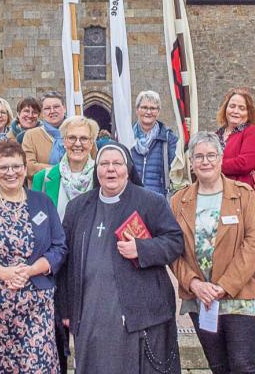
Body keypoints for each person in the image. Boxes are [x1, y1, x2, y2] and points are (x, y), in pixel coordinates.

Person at [60, 142, 183, 374]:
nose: (111, 169)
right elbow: (64, 260)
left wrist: (142, 249)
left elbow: (175, 241)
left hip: (136, 310)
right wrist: (66, 308)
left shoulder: (150, 202)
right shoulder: (78, 207)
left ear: (128, 169)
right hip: (90, 310)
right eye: (104, 164)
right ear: (96, 170)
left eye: (117, 163)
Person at [0, 139, 67, 373]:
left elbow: (59, 248)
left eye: (16, 166)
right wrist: (4, 273)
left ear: (25, 169)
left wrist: (29, 270)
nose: (10, 173)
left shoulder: (42, 202)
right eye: (3, 167)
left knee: (34, 366)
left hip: (35, 309)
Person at [170, 131, 255, 374]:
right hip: (201, 298)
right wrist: (194, 284)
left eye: (211, 155)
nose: (205, 161)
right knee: (218, 366)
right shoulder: (178, 201)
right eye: (199, 156)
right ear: (191, 163)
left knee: (242, 365)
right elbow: (171, 249)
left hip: (242, 295)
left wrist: (224, 285)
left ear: (221, 158)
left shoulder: (244, 194)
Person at [31, 115, 99, 372]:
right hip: (56, 266)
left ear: (92, 142)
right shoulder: (44, 178)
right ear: (63, 140)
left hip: (91, 265)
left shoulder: (102, 175)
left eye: (83, 138)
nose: (78, 143)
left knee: (90, 338)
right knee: (55, 335)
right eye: (72, 138)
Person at [215, 87, 255, 188]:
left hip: (244, 193)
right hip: (218, 190)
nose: (235, 111)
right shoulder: (217, 135)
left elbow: (244, 164)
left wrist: (213, 166)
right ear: (225, 109)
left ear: (249, 113)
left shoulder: (254, 132)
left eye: (242, 108)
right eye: (232, 106)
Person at [129, 90, 178, 197]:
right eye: (144, 107)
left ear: (158, 112)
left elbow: (176, 171)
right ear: (137, 110)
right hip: (131, 198)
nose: (148, 112)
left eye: (153, 108)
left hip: (157, 200)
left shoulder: (168, 139)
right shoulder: (127, 137)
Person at [22, 91, 68, 179]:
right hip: (42, 189)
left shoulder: (77, 132)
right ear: (42, 113)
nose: (52, 111)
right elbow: (29, 168)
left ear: (64, 108)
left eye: (56, 107)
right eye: (47, 108)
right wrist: (64, 170)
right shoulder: (31, 135)